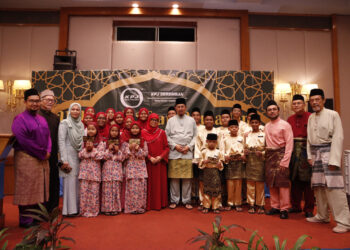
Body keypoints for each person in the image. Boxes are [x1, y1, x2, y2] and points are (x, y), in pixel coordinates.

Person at [306, 88, 350, 233]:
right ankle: (322, 215)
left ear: (324, 100)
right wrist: (309, 156)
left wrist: (334, 160)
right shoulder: (311, 117)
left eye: (317, 99)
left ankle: (344, 222)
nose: (315, 102)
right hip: (316, 155)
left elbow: (338, 137)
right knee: (319, 187)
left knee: (335, 188)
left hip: (329, 154)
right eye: (312, 100)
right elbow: (309, 140)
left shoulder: (333, 114)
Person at [12, 88, 51, 228]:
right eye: (31, 101)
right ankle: (26, 220)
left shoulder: (41, 118)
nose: (34, 104)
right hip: (26, 158)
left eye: (37, 101)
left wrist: (48, 150)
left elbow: (48, 137)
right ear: (25, 102)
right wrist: (42, 153)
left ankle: (36, 217)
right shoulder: (20, 119)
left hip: (41, 158)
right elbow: (24, 141)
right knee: (27, 189)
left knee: (39, 188)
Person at [165, 98, 197, 209]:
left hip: (187, 153)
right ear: (175, 108)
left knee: (187, 178)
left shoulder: (191, 120)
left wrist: (188, 147)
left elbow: (195, 136)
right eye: (178, 107)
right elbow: (167, 136)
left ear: (185, 108)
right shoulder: (170, 121)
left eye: (182, 106)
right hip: (174, 153)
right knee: (174, 178)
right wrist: (175, 146)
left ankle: (186, 200)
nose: (180, 108)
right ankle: (174, 200)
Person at [264, 100, 293, 219]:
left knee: (283, 184)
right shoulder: (266, 126)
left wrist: (285, 161)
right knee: (272, 183)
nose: (272, 111)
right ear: (267, 112)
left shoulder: (285, 125)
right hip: (270, 156)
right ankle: (275, 206)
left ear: (278, 110)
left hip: (281, 155)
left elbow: (290, 144)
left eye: (274, 109)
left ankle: (284, 208)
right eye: (269, 110)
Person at [287, 94, 314, 218]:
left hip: (306, 150)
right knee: (294, 179)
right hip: (293, 150)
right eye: (294, 103)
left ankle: (309, 208)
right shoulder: (290, 119)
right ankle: (295, 206)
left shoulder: (311, 117)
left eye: (299, 103)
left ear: (304, 104)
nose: (296, 105)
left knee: (307, 181)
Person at [58, 102, 84, 216]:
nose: (75, 111)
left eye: (77, 109)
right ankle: (69, 210)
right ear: (69, 111)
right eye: (73, 109)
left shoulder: (81, 124)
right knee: (69, 182)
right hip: (68, 155)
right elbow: (61, 141)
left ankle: (76, 208)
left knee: (77, 182)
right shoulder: (65, 123)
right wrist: (64, 159)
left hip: (78, 156)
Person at [38, 89, 60, 213]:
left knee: (53, 180)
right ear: (41, 101)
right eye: (48, 100)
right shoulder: (36, 116)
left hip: (53, 155)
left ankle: (53, 207)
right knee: (41, 183)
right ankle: (41, 209)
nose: (50, 102)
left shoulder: (55, 118)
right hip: (39, 155)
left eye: (52, 100)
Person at [143, 113, 169, 210]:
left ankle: (159, 204)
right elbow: (141, 148)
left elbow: (166, 147)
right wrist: (149, 157)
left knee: (159, 184)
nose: (154, 122)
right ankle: (149, 205)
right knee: (149, 184)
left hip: (159, 163)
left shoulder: (162, 132)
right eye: (152, 120)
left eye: (156, 120)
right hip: (148, 163)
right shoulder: (143, 132)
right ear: (148, 121)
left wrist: (160, 157)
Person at [78, 123, 104, 217]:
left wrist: (92, 150)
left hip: (95, 171)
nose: (91, 131)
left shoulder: (100, 142)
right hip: (84, 171)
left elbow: (100, 156)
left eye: (93, 129)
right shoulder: (83, 140)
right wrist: (87, 151)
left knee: (94, 192)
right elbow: (80, 154)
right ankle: (83, 211)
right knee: (84, 192)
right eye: (89, 129)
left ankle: (93, 211)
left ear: (96, 130)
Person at [194, 110, 218, 210]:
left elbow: (221, 146)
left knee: (216, 183)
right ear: (204, 121)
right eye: (207, 120)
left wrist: (219, 158)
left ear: (214, 121)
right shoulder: (200, 132)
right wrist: (200, 160)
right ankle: (202, 202)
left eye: (211, 120)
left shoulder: (217, 132)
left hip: (215, 161)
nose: (209, 121)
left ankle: (217, 204)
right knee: (202, 183)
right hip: (204, 161)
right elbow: (197, 147)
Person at [123, 122, 148, 214]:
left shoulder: (143, 140)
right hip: (131, 167)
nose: (134, 130)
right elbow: (124, 156)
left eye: (136, 128)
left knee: (140, 188)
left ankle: (140, 207)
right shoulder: (126, 141)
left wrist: (139, 150)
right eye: (133, 128)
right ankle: (132, 207)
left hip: (141, 167)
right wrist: (129, 148)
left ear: (140, 129)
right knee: (131, 188)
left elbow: (145, 154)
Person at [221, 120, 245, 211]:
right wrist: (225, 157)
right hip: (229, 163)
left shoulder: (241, 138)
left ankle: (238, 203)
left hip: (239, 162)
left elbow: (244, 149)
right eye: (232, 127)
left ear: (238, 128)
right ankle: (230, 203)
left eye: (235, 127)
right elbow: (222, 151)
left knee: (238, 183)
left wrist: (242, 155)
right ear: (228, 128)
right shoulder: (225, 139)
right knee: (230, 183)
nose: (234, 128)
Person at [244, 114, 266, 214]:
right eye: (252, 122)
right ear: (250, 123)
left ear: (259, 123)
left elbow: (267, 148)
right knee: (250, 183)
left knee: (260, 183)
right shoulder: (247, 135)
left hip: (260, 160)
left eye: (256, 122)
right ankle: (251, 204)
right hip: (250, 161)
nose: (254, 124)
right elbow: (243, 148)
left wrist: (262, 153)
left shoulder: (264, 134)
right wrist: (245, 152)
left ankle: (261, 204)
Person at [101, 124, 125, 215]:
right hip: (107, 169)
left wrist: (118, 150)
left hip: (117, 169)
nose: (114, 133)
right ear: (109, 132)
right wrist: (109, 150)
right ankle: (107, 208)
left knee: (116, 188)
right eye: (112, 131)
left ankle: (115, 208)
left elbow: (123, 158)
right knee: (107, 189)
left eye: (116, 131)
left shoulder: (122, 143)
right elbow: (102, 156)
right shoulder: (104, 142)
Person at [198, 133, 224, 214]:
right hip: (206, 172)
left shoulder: (219, 152)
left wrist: (220, 165)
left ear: (216, 142)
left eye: (213, 142)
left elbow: (221, 164)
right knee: (206, 190)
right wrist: (203, 162)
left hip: (215, 173)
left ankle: (215, 207)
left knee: (216, 190)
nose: (211, 143)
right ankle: (206, 206)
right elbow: (200, 164)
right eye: (210, 141)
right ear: (206, 141)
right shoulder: (204, 152)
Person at [191, 107, 204, 205]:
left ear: (200, 117)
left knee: (200, 177)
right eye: (193, 115)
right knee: (191, 177)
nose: (196, 117)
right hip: (189, 155)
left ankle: (200, 197)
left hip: (201, 156)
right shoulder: (188, 127)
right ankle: (192, 196)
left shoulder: (203, 128)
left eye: (197, 115)